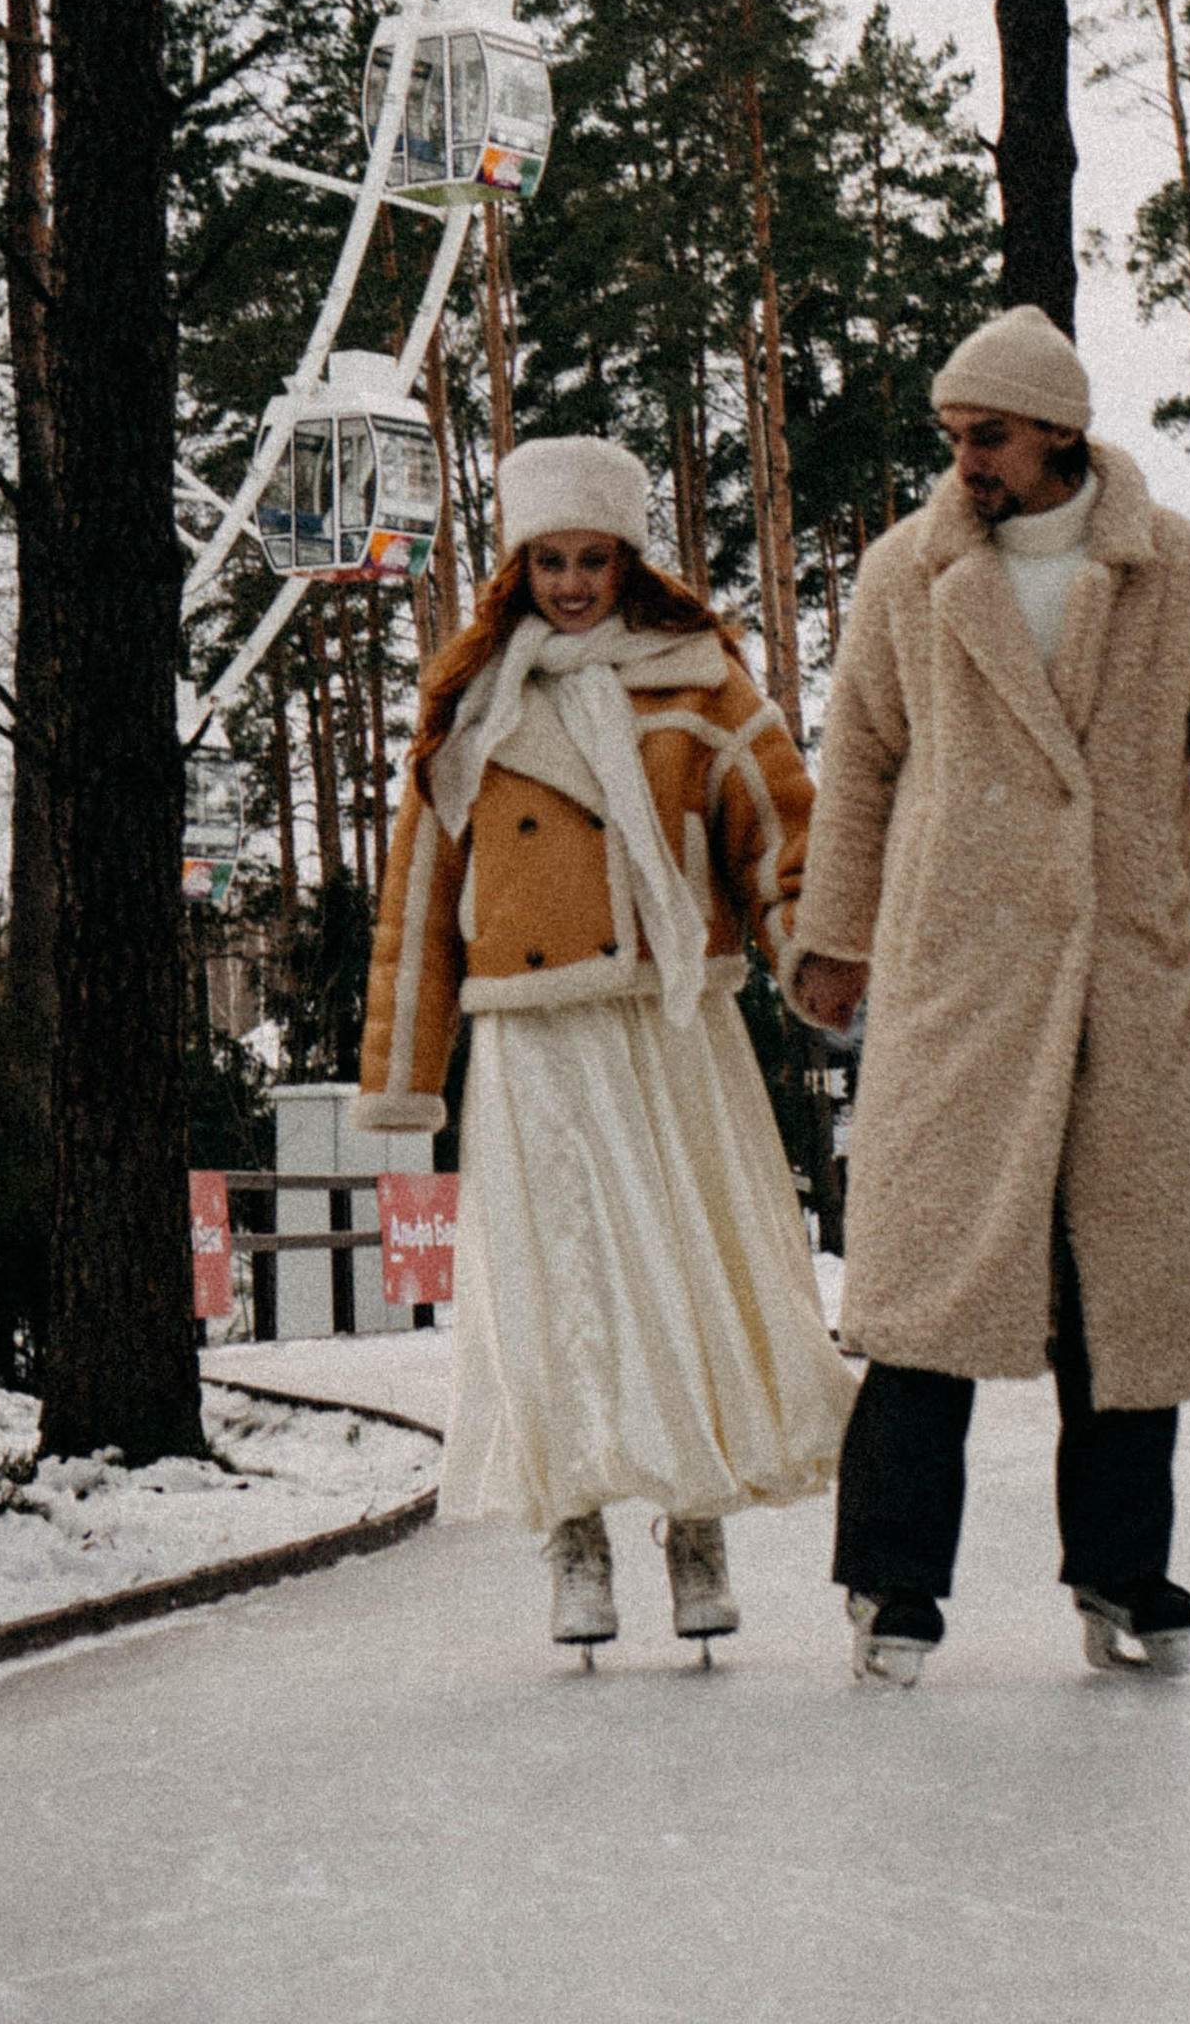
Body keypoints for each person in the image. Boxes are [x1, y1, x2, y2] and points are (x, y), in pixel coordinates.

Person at [791, 306, 1190, 1688]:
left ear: (1061, 430)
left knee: (1123, 1300)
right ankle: (891, 1584)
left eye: (988, 437)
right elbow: (862, 771)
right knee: (923, 1291)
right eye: (952, 439)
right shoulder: (909, 575)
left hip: (1123, 977)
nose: (966, 464)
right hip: (962, 980)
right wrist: (837, 939)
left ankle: (1122, 1572)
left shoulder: (1176, 578)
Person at [355, 434, 855, 1656]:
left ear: (631, 560)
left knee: (680, 1269)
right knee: (553, 1288)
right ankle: (571, 1536)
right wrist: (404, 1081)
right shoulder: (469, 710)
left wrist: (813, 962)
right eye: (549, 560)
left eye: (593, 559)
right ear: (517, 566)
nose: (572, 583)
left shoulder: (703, 684)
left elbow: (781, 838)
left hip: (664, 1023)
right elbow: (418, 903)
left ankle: (695, 1524)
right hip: (531, 1046)